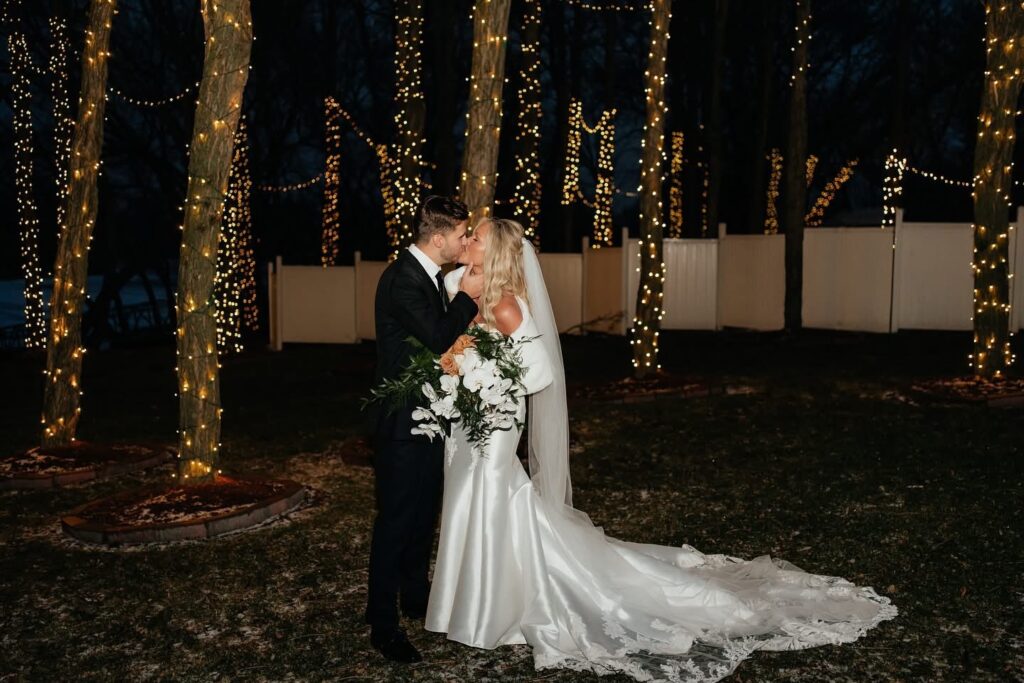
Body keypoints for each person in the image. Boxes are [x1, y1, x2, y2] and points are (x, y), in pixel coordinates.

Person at [425, 217, 897, 683]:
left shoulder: (508, 306)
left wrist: (489, 386)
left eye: (477, 236)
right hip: (471, 423)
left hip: (497, 422)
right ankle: (465, 601)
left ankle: (486, 610)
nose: (468, 239)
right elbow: (448, 312)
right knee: (473, 501)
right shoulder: (466, 288)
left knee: (491, 497)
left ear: (497, 253)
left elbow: (540, 374)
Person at [364, 195, 482, 663]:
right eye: (459, 235)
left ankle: (414, 595)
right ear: (438, 238)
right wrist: (469, 299)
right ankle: (382, 623)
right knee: (395, 521)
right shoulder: (402, 281)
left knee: (421, 514)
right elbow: (437, 335)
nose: (464, 241)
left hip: (430, 414)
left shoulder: (427, 275)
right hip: (400, 421)